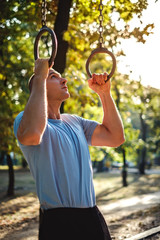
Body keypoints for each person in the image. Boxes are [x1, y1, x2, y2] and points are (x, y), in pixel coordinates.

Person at [14, 59, 125, 240]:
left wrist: (104, 93)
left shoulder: (75, 121)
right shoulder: (24, 120)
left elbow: (116, 137)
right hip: (59, 222)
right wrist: (40, 75)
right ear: (39, 85)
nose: (64, 80)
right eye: (53, 77)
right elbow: (32, 134)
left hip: (92, 216)